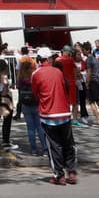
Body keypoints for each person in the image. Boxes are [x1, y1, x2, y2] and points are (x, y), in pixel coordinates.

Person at [32, 47, 76, 184]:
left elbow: (35, 93)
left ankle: (59, 175)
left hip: (49, 114)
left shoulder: (36, 74)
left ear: (39, 59)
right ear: (49, 59)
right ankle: (71, 171)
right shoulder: (58, 72)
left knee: (54, 146)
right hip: (64, 111)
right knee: (68, 143)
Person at [15, 58, 48, 159]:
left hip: (25, 104)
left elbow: (18, 88)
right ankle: (45, 148)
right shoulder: (34, 76)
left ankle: (33, 149)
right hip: (36, 103)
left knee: (30, 128)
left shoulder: (20, 78)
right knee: (40, 127)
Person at [0, 59, 17, 150]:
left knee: (5, 121)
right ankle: (6, 141)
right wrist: (7, 87)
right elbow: (6, 87)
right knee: (8, 121)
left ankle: (5, 139)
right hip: (6, 99)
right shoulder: (4, 76)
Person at [83, 42, 99, 126]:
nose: (83, 52)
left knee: (92, 102)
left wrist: (87, 83)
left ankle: (98, 119)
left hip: (92, 82)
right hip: (98, 81)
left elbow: (89, 72)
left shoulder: (88, 60)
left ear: (87, 50)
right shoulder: (95, 59)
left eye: (83, 50)